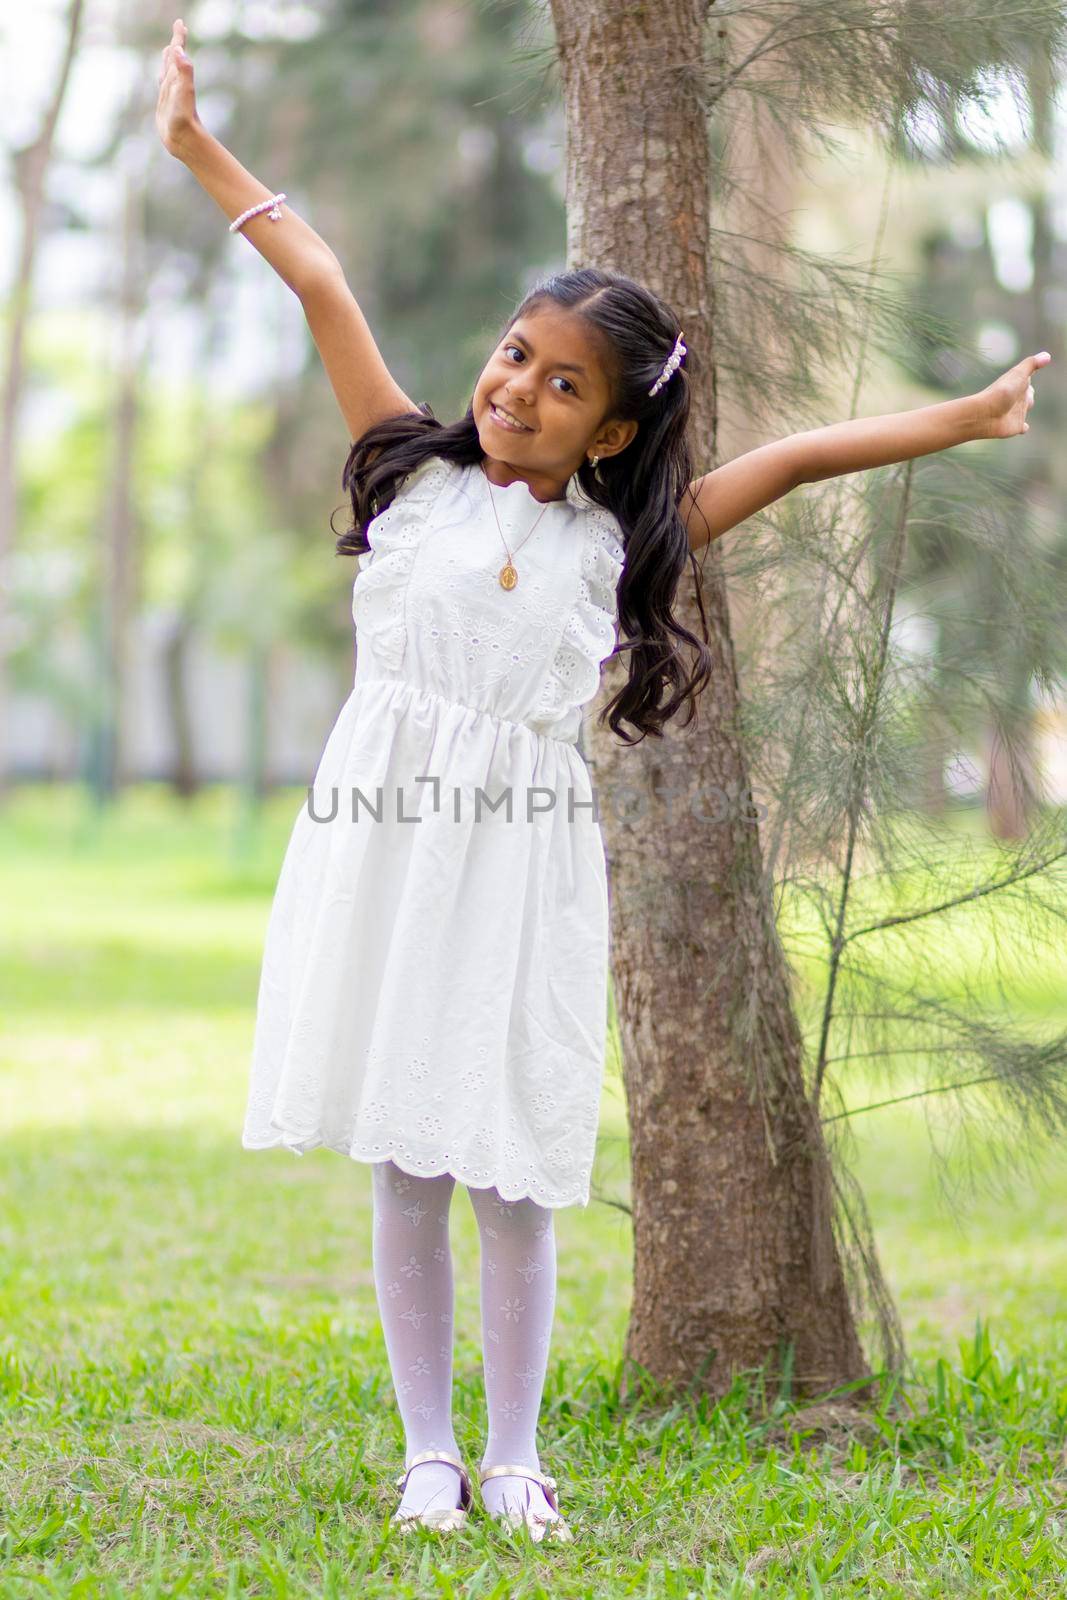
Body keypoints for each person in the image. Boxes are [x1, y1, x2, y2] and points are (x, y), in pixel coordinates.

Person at [155, 16, 1049, 1540]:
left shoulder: (615, 545)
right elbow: (319, 276)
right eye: (516, 355)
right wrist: (195, 145)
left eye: (564, 385)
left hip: (519, 866)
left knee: (511, 1164)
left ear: (614, 427)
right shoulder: (409, 475)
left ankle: (514, 1456)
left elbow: (804, 459)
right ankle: (427, 1453)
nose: (519, 388)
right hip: (385, 853)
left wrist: (962, 421)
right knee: (406, 1159)